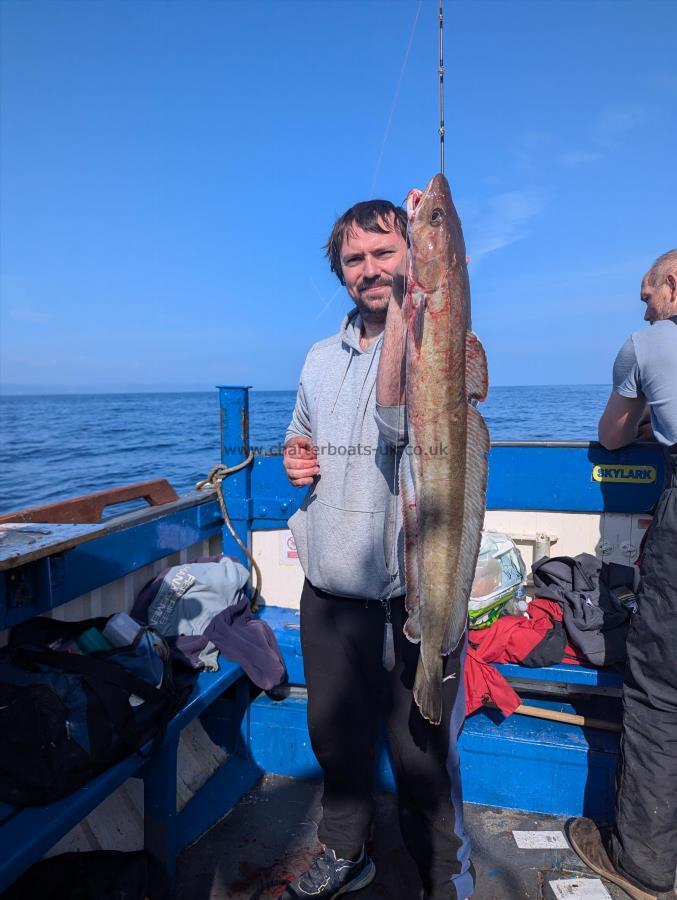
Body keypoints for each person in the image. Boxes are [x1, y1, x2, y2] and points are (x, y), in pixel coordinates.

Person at [281, 200, 473, 900]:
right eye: (355, 258)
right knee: (333, 742)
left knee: (419, 758)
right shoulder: (315, 358)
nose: (370, 269)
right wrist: (294, 456)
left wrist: (413, 296)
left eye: (385, 252)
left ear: (415, 259)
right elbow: (300, 430)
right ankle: (343, 850)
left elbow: (397, 418)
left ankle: (441, 876)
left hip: (411, 592)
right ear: (338, 268)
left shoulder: (431, 342)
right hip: (330, 593)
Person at [567, 249, 677, 900]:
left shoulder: (645, 345)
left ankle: (640, 864)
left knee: (659, 689)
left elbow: (610, 436)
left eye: (648, 294)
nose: (643, 309)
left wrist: (641, 413)